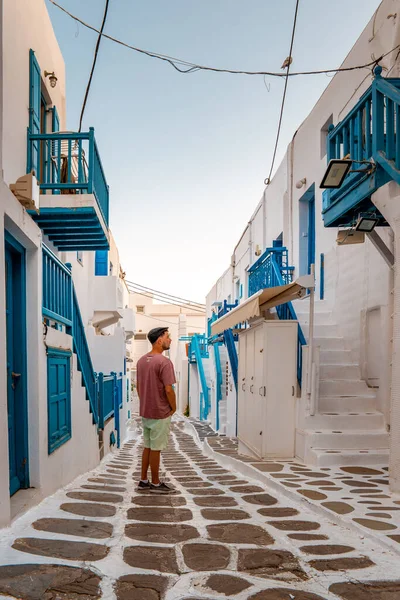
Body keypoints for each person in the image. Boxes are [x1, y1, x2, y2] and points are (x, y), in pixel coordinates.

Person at [136, 327, 176, 494]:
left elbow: (138, 387)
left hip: (146, 411)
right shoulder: (164, 362)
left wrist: (145, 402)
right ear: (159, 340)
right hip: (160, 412)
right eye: (168, 337)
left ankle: (143, 480)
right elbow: (168, 389)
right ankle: (156, 483)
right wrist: (173, 408)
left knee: (148, 446)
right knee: (156, 448)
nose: (170, 340)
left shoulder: (140, 361)